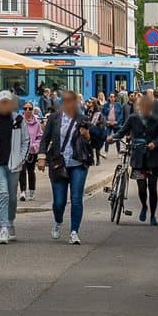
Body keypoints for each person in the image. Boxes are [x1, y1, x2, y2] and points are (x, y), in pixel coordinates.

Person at [42, 90, 100, 244]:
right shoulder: (54, 118)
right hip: (58, 163)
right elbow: (45, 138)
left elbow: (98, 140)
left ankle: (74, 231)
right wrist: (41, 157)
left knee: (76, 199)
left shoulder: (83, 119)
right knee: (59, 201)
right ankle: (58, 220)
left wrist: (88, 135)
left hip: (78, 163)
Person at [0, 92, 26, 244]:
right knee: (3, 194)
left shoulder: (18, 120)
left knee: (12, 197)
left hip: (13, 164)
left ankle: (10, 221)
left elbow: (25, 141)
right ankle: (3, 228)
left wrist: (20, 158)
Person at [123, 93, 158, 225]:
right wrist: (114, 137)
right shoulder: (133, 118)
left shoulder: (157, 119)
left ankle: (153, 215)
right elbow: (123, 130)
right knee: (141, 187)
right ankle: (144, 206)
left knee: (152, 188)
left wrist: (155, 143)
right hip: (138, 157)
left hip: (153, 158)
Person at [19, 101, 44, 202]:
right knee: (22, 170)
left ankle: (32, 191)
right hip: (22, 151)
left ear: (32, 110)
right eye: (25, 108)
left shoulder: (36, 123)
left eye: (29, 108)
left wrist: (35, 145)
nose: (27, 110)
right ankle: (23, 191)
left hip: (32, 151)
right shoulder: (19, 121)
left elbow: (40, 136)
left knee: (31, 171)